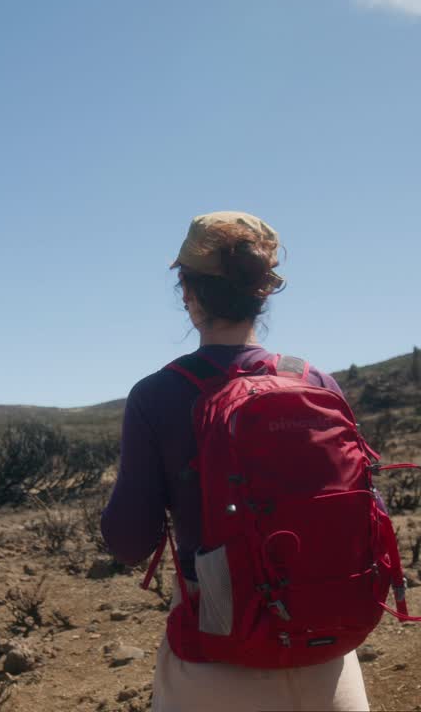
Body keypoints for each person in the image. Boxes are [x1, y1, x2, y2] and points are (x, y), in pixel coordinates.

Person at [100, 211, 371, 711]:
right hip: (326, 648)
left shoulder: (157, 395)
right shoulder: (315, 382)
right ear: (262, 292)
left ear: (188, 292)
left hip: (217, 649)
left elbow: (129, 542)